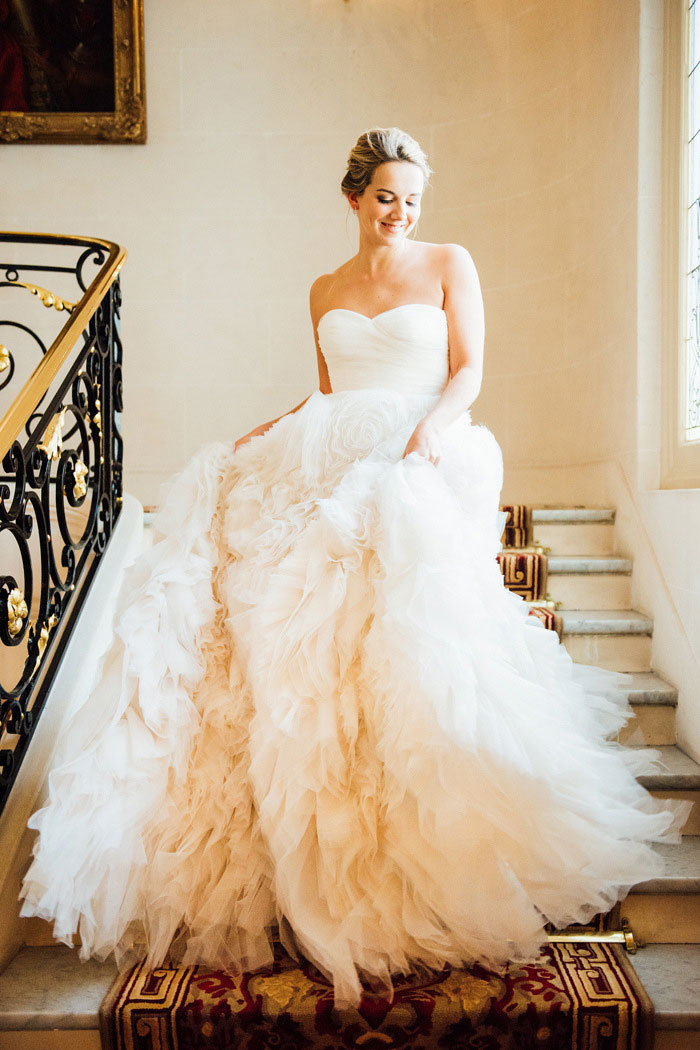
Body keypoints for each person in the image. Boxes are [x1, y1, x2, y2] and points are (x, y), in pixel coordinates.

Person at [19, 126, 691, 1010]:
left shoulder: (450, 262)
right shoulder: (325, 288)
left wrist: (433, 433)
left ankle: (417, 852)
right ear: (353, 198)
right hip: (328, 455)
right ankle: (312, 853)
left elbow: (468, 371)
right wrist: (258, 435)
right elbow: (326, 391)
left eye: (412, 199)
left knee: (394, 607)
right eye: (386, 198)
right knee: (280, 612)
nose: (401, 213)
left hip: (416, 450)